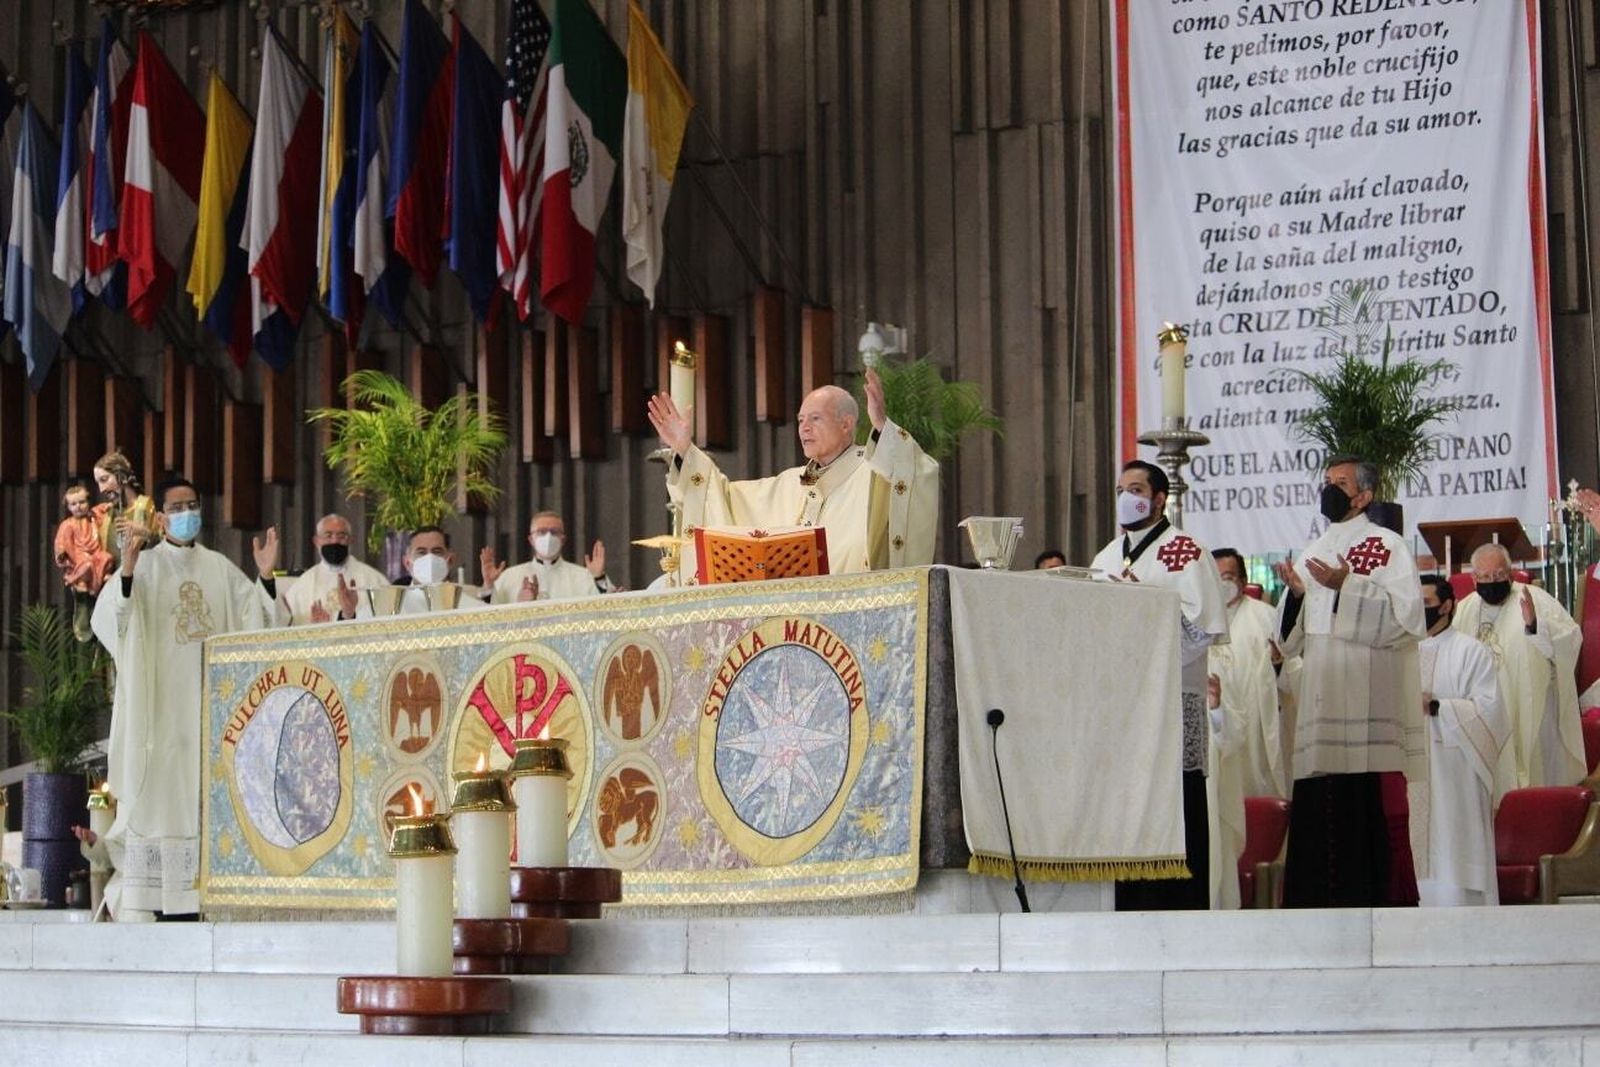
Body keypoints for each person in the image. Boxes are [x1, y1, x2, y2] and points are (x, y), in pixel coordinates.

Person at [89, 476, 279, 919]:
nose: (187, 512)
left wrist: (265, 577)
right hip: (157, 717)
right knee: (160, 797)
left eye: (193, 504)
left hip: (210, 717)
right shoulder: (145, 565)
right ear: (160, 518)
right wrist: (129, 570)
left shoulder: (219, 569)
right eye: (177, 506)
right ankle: (153, 901)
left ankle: (204, 900)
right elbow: (112, 620)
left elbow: (259, 624)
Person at [1272, 456, 1425, 908]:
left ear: (1364, 495)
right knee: (1319, 796)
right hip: (1321, 690)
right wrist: (1298, 597)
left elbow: (1407, 620)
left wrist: (1349, 585)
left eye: (1340, 483)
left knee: (1361, 799)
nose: (1330, 489)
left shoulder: (1387, 546)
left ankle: (1373, 894)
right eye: (1326, 482)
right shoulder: (1313, 548)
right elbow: (1291, 640)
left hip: (1366, 687)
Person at [1089, 459, 1228, 909]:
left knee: (1177, 803)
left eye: (1135, 489)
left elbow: (1203, 627)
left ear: (1159, 498)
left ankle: (1180, 911)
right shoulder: (1106, 557)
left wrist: (1144, 605)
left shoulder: (1183, 551)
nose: (1126, 498)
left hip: (1170, 701)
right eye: (1120, 489)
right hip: (1121, 709)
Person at [645, 367, 938, 576]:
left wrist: (883, 428)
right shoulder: (790, 484)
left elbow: (915, 474)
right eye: (800, 421)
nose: (804, 428)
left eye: (815, 418)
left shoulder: (873, 472)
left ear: (846, 424)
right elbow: (722, 499)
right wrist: (686, 450)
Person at [1451, 542, 1584, 793]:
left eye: (1499, 575)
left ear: (1511, 573)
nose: (1493, 581)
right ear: (1473, 578)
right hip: (1482, 712)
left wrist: (1535, 625)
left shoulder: (1534, 598)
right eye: (1485, 576)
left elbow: (1571, 638)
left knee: (1534, 775)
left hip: (1529, 705)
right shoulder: (1465, 608)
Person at [1415, 574, 1508, 906]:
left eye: (1425, 603)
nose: (1419, 610)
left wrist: (1440, 707)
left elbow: (1491, 711)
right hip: (1410, 773)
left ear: (1447, 605)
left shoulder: (1471, 652)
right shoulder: (1400, 654)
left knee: (1451, 849)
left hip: (1454, 772)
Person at [1210, 548, 1288, 799]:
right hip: (1215, 720)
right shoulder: (1198, 618)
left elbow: (1292, 671)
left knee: (1255, 788)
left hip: (1256, 722)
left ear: (1243, 582)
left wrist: (1278, 661)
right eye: (1216, 576)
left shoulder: (1265, 617)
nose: (1222, 583)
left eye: (1229, 576)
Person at [481, 511, 611, 603]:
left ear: (563, 539)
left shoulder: (583, 576)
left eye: (554, 532)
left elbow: (607, 608)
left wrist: (598, 578)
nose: (548, 537)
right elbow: (488, 618)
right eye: (542, 532)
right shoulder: (509, 576)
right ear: (531, 539)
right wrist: (489, 586)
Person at [281, 513, 388, 625]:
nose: (335, 541)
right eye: (328, 536)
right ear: (316, 541)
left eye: (342, 536)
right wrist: (317, 630)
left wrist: (349, 614)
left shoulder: (374, 579)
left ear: (351, 540)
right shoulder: (302, 586)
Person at [368, 527, 490, 615]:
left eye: (437, 551)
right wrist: (349, 613)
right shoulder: (388, 609)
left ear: (450, 560)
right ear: (407, 563)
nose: (429, 558)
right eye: (421, 552)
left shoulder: (471, 608)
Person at [55, 483, 115, 641]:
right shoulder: (67, 524)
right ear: (68, 506)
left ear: (88, 502)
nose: (78, 507)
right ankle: (77, 584)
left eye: (82, 502)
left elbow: (104, 508)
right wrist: (62, 555)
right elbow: (61, 544)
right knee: (87, 565)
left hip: (95, 555)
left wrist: (110, 505)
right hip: (79, 559)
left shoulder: (93, 517)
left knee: (107, 558)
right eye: (73, 504)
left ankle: (102, 580)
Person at [92, 448, 156, 566]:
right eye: (98, 483)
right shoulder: (106, 514)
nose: (101, 489)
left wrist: (146, 533)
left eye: (104, 479)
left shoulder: (146, 507)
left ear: (122, 476)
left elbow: (165, 548)